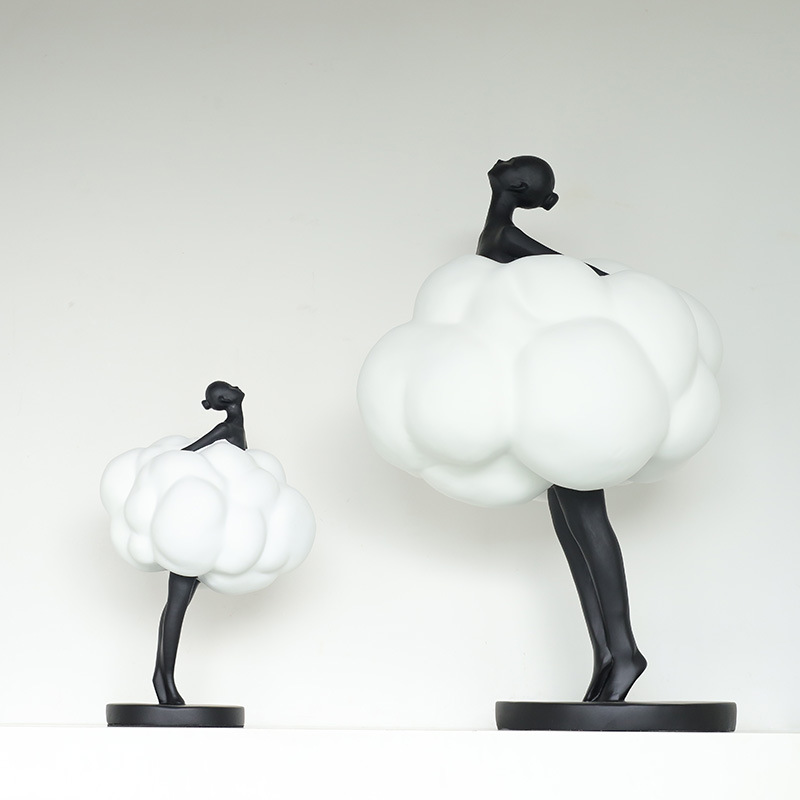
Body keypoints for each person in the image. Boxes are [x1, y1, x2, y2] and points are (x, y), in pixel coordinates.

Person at [477, 157, 646, 702]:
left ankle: (625, 651)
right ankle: (606, 655)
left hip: (569, 395)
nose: (498, 164)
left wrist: (612, 281)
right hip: (543, 393)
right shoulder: (500, 231)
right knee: (569, 523)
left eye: (512, 166)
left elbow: (581, 278)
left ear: (517, 184)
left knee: (587, 517)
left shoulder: (504, 235)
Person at [152, 381, 247, 705]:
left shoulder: (235, 426)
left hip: (209, 534)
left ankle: (162, 676)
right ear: (224, 400)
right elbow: (187, 454)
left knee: (175, 606)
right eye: (226, 391)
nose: (236, 389)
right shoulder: (226, 429)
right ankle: (164, 679)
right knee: (176, 607)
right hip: (193, 534)